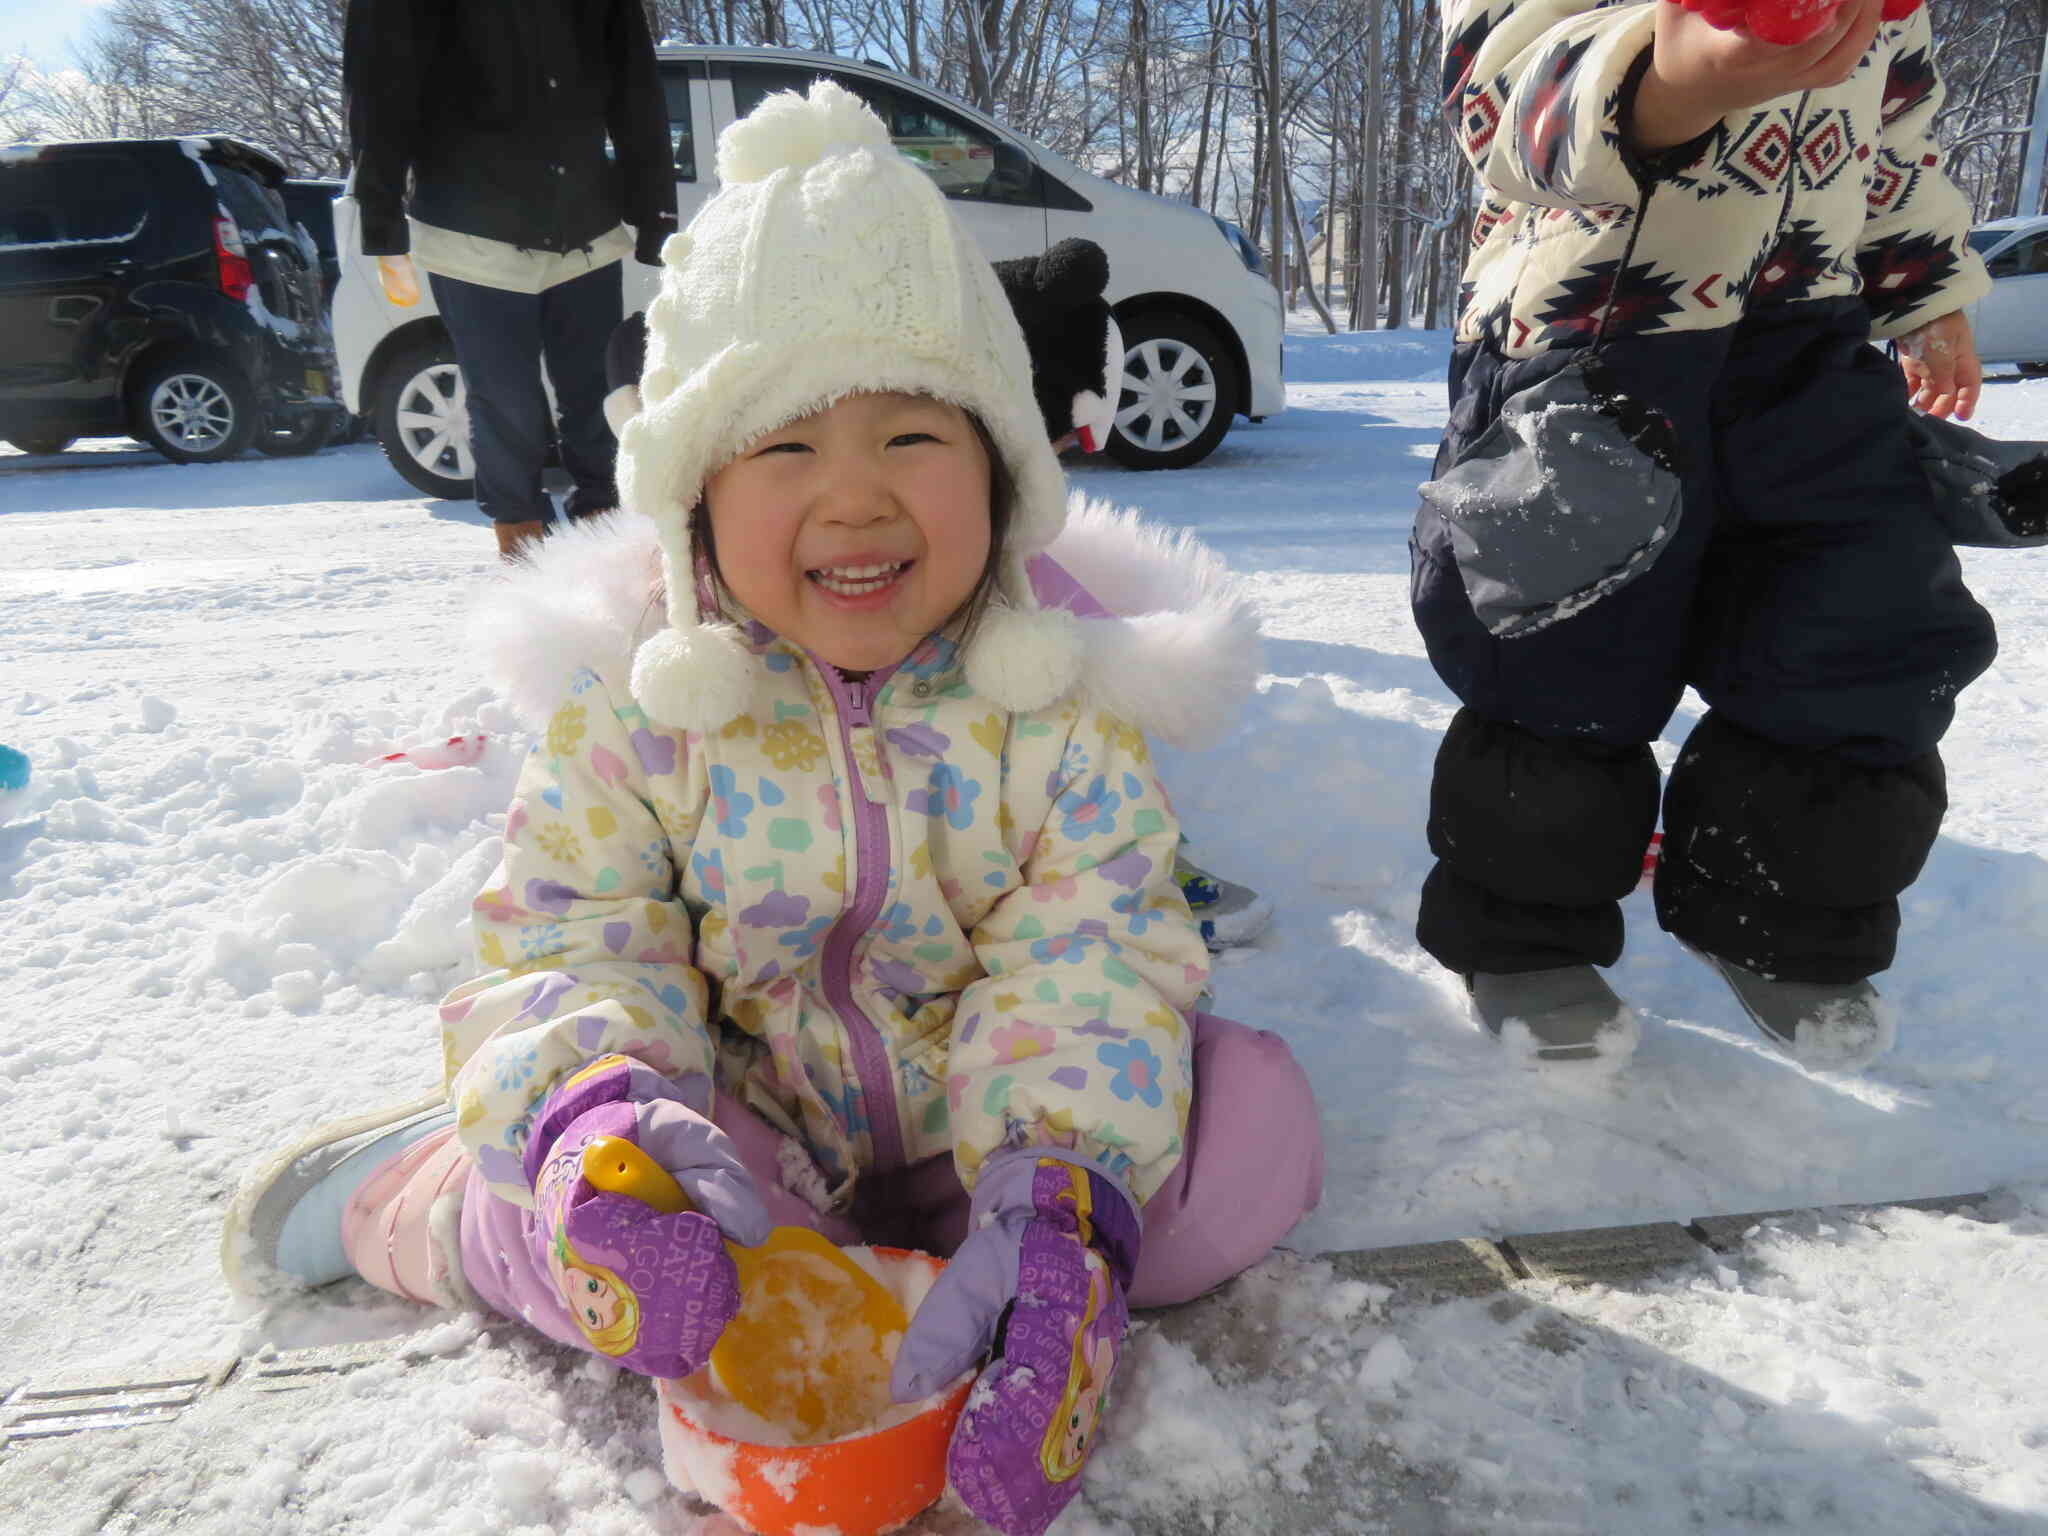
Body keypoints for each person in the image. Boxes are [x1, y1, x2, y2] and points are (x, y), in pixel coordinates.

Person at [222, 84, 1322, 1536]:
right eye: (788, 449)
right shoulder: (636, 706)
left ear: (999, 474)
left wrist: (1059, 1198)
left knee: (1251, 1134)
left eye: (915, 441)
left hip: (970, 1138)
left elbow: (1095, 946)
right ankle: (427, 1205)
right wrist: (599, 1133)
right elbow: (576, 940)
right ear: (691, 502)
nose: (856, 501)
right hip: (735, 1139)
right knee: (603, 1247)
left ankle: (1021, 1257)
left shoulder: (1053, 703)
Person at [1415, 0, 1999, 1067]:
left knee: (1862, 617)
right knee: (1560, 646)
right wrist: (1663, 76)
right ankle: (1523, 933)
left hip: (1807, 337)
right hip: (1596, 326)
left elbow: (1894, 132)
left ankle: (1780, 914)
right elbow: (1496, 94)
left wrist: (1921, 288)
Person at [343, 0, 676, 561]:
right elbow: (379, 85)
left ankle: (609, 543)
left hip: (585, 226)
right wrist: (380, 219)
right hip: (470, 232)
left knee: (600, 393)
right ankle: (523, 553)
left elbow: (634, 85)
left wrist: (654, 208)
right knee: (505, 403)